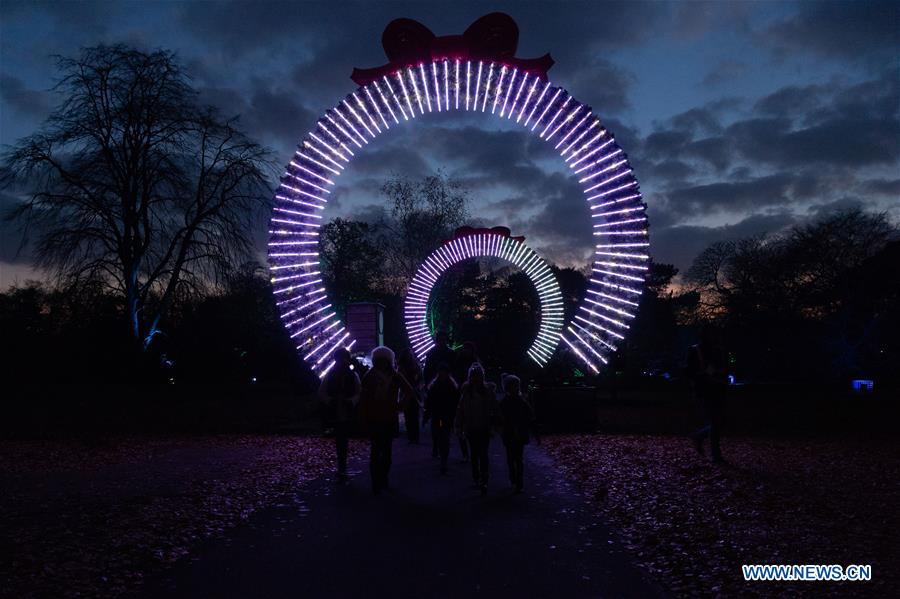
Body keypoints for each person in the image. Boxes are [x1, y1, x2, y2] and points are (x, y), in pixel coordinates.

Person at [358, 346, 415, 494]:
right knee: (377, 450)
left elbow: (409, 391)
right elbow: (363, 399)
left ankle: (382, 478)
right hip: (376, 418)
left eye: (385, 361)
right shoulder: (370, 377)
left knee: (385, 451)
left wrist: (400, 405)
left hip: (387, 417)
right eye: (380, 361)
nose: (383, 364)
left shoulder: (393, 376)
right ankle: (377, 481)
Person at [686, 325, 728, 463]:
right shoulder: (696, 350)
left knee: (718, 421)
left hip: (714, 388)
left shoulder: (715, 350)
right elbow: (690, 372)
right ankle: (716, 455)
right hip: (705, 389)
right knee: (716, 420)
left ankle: (699, 436)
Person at [318, 348, 360, 482]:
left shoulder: (349, 375)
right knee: (341, 439)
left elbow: (358, 393)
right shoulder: (335, 375)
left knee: (342, 439)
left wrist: (350, 402)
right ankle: (342, 466)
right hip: (338, 410)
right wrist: (332, 402)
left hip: (343, 410)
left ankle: (342, 466)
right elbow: (322, 392)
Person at [455, 363, 498, 495]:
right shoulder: (484, 391)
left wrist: (459, 426)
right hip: (475, 427)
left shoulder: (469, 392)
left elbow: (461, 410)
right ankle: (481, 478)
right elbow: (461, 411)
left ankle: (480, 478)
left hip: (478, 427)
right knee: (478, 453)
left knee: (479, 453)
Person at [499, 374, 538, 493]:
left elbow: (530, 416)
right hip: (515, 433)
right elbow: (531, 416)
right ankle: (517, 481)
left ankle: (516, 480)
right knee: (515, 458)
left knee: (514, 458)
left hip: (513, 433)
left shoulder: (507, 402)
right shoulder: (518, 401)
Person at [423, 362, 459, 474]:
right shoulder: (451, 386)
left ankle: (443, 459)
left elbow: (429, 403)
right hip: (441, 416)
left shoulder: (436, 386)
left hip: (443, 416)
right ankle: (442, 457)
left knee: (443, 436)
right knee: (442, 436)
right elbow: (429, 403)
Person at [452, 341, 479, 462]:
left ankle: (470, 451)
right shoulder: (460, 362)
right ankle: (466, 451)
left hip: (470, 395)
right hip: (462, 394)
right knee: (463, 423)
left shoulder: (473, 363)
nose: (465, 351)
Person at [398, 348, 423, 444]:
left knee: (411, 415)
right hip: (410, 392)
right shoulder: (414, 365)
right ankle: (413, 436)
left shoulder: (405, 366)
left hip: (410, 392)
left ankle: (413, 436)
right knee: (411, 415)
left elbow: (420, 378)